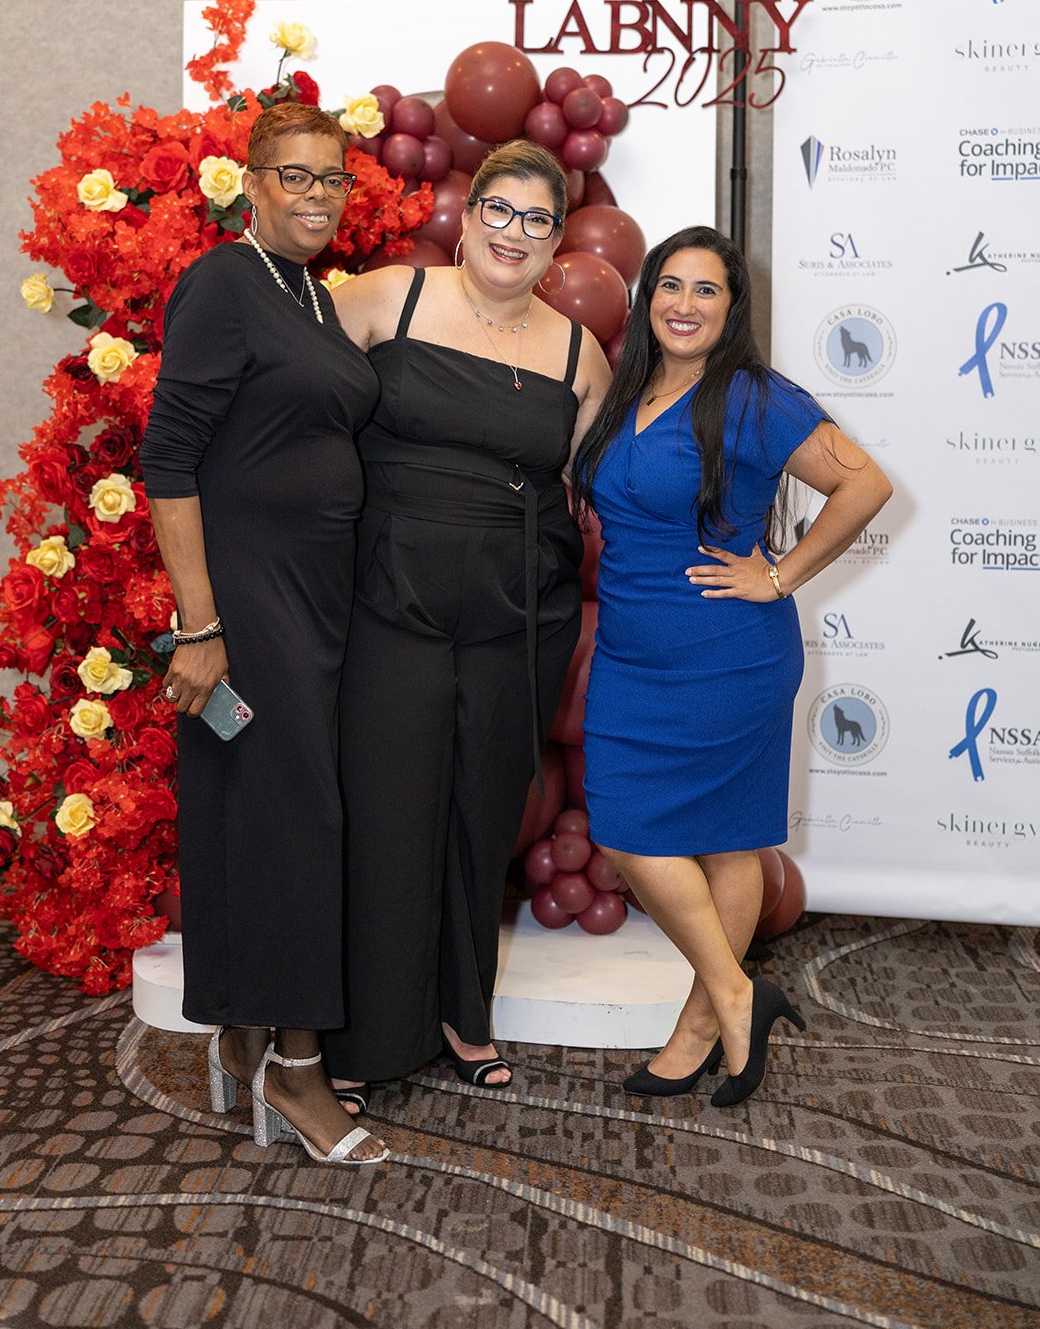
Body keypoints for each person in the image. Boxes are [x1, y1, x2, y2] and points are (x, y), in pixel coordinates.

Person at [572, 225, 892, 1108]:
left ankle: (705, 1021)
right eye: (668, 286)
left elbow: (864, 486)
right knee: (628, 828)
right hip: (633, 656)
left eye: (705, 290)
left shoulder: (751, 395)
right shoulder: (631, 385)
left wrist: (780, 572)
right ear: (647, 301)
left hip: (727, 655)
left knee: (724, 837)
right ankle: (737, 993)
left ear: (731, 308)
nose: (683, 305)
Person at [326, 139, 611, 1102]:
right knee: (389, 815)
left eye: (536, 220)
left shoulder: (579, 352)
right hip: (390, 605)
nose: (513, 233)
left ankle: (463, 1012)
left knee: (479, 816)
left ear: (557, 240)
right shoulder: (385, 299)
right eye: (499, 210)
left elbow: (599, 489)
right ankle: (361, 1042)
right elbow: (278, 374)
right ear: (468, 212)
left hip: (516, 620)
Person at [141, 102, 388, 1166]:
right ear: (250, 184)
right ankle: (297, 1068)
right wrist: (199, 624)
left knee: (278, 814)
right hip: (250, 601)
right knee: (299, 822)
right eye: (294, 177)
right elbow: (168, 461)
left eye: (331, 179)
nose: (316, 196)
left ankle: (247, 1033)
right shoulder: (224, 284)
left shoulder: (310, 297)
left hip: (318, 597)